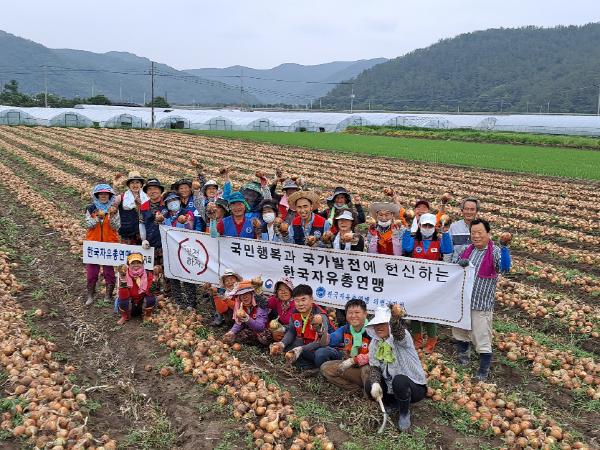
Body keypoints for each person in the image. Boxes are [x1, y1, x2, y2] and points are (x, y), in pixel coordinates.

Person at [453, 218, 511, 381]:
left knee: (481, 336)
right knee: (460, 330)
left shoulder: (494, 251)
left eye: (480, 232)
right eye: (473, 233)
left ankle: (483, 369)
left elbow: (505, 268)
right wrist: (459, 264)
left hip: (481, 303)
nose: (476, 236)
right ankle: (463, 356)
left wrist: (505, 248)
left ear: (488, 233)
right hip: (463, 301)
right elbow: (455, 269)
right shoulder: (468, 250)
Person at [366, 305, 428, 432]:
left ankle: (404, 413)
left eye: (383, 324)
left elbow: (399, 334)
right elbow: (374, 367)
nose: (379, 327)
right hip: (391, 388)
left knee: (399, 381)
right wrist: (375, 384)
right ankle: (392, 404)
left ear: (389, 325)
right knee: (369, 384)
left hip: (413, 387)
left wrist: (394, 319)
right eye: (376, 324)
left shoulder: (401, 337)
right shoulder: (375, 343)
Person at [402, 213, 453, 353]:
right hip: (415, 282)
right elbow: (406, 248)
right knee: (414, 311)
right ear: (419, 226)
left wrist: (446, 232)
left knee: (430, 311)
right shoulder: (414, 240)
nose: (427, 228)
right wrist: (408, 229)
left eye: (430, 226)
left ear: (434, 227)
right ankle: (417, 339)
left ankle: (431, 340)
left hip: (432, 283)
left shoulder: (439, 241)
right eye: (424, 225)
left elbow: (448, 250)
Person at [269, 284, 334, 373]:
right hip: (308, 345)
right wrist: (282, 344)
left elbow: (321, 342)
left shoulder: (320, 316)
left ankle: (321, 370)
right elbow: (292, 331)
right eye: (297, 300)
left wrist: (301, 349)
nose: (300, 304)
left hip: (328, 347)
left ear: (311, 299)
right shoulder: (295, 313)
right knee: (287, 346)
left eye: (303, 300)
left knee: (321, 354)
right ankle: (307, 366)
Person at [320, 299, 371, 392]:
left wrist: (354, 360)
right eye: (350, 313)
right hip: (352, 367)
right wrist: (321, 331)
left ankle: (369, 393)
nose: (353, 316)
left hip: (368, 368)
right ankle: (356, 389)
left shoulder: (372, 331)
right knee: (325, 367)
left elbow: (375, 356)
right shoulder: (346, 329)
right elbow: (331, 339)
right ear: (346, 315)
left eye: (357, 312)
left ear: (365, 314)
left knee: (367, 370)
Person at [159, 191, 197, 309]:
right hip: (170, 249)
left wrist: (185, 221)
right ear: (166, 204)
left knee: (187, 274)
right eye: (169, 201)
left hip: (186, 249)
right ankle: (178, 301)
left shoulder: (187, 213)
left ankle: (191, 302)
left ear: (180, 201)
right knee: (173, 274)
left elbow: (191, 227)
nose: (172, 203)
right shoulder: (164, 215)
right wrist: (159, 220)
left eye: (174, 200)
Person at [84, 184, 120, 306]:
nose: (103, 196)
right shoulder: (90, 208)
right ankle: (90, 294)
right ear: (97, 196)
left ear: (110, 196)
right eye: (101, 194)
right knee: (92, 270)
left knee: (108, 270)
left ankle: (108, 295)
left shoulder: (113, 209)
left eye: (106, 194)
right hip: (93, 243)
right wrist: (98, 218)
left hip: (109, 243)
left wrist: (112, 216)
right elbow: (88, 224)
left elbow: (116, 227)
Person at [222, 280, 271, 347]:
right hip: (251, 330)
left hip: (263, 330)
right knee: (236, 336)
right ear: (239, 297)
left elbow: (261, 327)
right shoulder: (240, 306)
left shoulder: (261, 304)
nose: (244, 297)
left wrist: (247, 319)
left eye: (247, 293)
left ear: (252, 294)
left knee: (265, 338)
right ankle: (255, 343)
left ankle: (261, 344)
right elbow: (239, 323)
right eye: (241, 295)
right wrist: (232, 331)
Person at [116, 253, 158, 325]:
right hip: (130, 302)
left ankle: (146, 315)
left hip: (142, 301)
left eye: (138, 262)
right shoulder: (124, 274)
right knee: (123, 300)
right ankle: (125, 316)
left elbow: (150, 292)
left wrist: (154, 281)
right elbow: (123, 296)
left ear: (142, 264)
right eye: (133, 263)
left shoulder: (148, 274)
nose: (136, 265)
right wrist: (123, 281)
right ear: (128, 264)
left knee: (151, 298)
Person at [117, 171, 147, 245]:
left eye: (137, 182)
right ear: (129, 185)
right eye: (132, 182)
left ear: (141, 184)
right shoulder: (121, 197)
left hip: (143, 231)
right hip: (126, 232)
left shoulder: (147, 197)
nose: (135, 185)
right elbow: (111, 205)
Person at [139, 178, 165, 262]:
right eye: (149, 189)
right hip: (150, 243)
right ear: (146, 192)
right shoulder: (143, 206)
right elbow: (141, 224)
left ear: (160, 191)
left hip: (166, 243)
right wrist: (144, 239)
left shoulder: (167, 204)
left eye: (155, 188)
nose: (152, 191)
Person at [449, 197, 479, 261]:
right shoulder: (453, 227)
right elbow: (448, 249)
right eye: (466, 209)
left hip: (476, 265)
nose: (469, 212)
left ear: (476, 211)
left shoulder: (482, 228)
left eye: (472, 209)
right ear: (462, 210)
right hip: (456, 265)